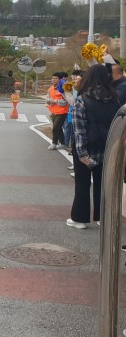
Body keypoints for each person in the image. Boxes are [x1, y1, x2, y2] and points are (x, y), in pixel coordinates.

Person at [67, 64, 120, 229]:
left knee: (82, 184)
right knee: (102, 184)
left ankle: (80, 219)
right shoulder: (115, 100)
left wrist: (82, 154)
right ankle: (101, 217)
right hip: (107, 149)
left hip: (87, 149)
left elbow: (79, 129)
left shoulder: (82, 99)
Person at [45, 72, 69, 150]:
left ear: (60, 79)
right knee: (58, 128)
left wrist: (55, 101)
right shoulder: (51, 88)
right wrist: (50, 101)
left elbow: (65, 101)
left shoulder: (63, 89)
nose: (53, 80)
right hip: (53, 111)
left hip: (62, 112)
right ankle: (62, 143)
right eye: (53, 78)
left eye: (55, 78)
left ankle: (54, 143)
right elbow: (47, 98)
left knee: (55, 128)